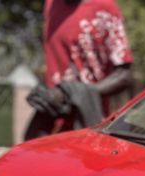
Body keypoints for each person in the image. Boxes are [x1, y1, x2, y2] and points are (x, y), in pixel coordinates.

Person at [25, 0, 134, 140]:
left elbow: (124, 75)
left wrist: (72, 93)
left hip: (87, 123)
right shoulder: (51, 5)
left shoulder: (104, 7)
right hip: (52, 122)